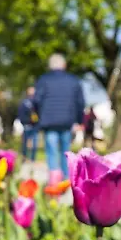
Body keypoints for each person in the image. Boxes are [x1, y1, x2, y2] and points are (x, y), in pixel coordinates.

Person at [34, 54, 85, 185]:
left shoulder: (43, 80)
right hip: (66, 121)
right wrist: (79, 120)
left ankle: (54, 179)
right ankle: (66, 179)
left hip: (49, 121)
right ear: (64, 65)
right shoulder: (73, 80)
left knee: (51, 150)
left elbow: (36, 100)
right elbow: (80, 102)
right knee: (65, 150)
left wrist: (40, 115)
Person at [16, 87, 38, 164]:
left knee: (33, 143)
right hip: (28, 125)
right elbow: (21, 114)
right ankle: (26, 158)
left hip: (34, 125)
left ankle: (31, 159)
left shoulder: (36, 102)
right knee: (26, 143)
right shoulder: (25, 102)